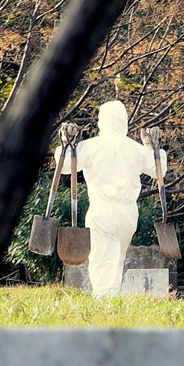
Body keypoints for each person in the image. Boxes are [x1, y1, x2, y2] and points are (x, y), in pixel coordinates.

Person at [54, 100, 166, 297]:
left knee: (103, 258)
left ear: (101, 121)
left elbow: (64, 166)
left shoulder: (91, 146)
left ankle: (104, 300)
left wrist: (65, 144)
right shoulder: (134, 148)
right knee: (117, 258)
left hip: (102, 210)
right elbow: (159, 170)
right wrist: (151, 147)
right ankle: (111, 297)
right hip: (129, 214)